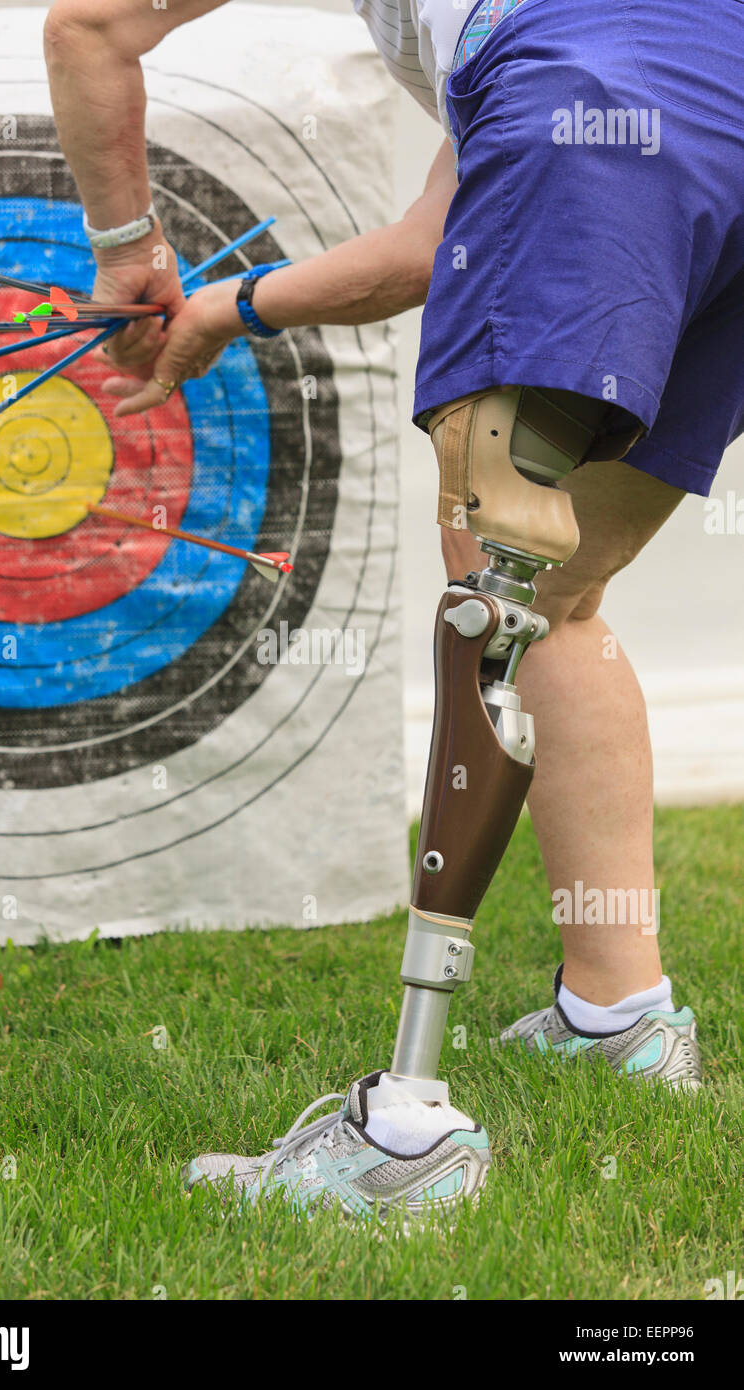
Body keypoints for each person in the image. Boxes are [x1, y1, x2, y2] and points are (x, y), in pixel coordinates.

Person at [43, 0, 735, 1221]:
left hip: (589, 112)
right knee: (556, 605)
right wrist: (229, 308)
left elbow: (90, 23)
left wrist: (127, 251)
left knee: (494, 610)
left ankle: (405, 1135)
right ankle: (615, 1016)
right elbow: (439, 235)